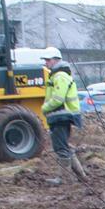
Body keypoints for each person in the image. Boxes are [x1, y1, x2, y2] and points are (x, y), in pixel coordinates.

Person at [39, 47, 86, 183]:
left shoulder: (59, 76)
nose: (46, 63)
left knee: (60, 147)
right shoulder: (59, 75)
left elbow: (58, 99)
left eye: (48, 60)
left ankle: (63, 178)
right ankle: (81, 176)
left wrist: (44, 108)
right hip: (62, 115)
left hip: (61, 116)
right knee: (64, 146)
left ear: (56, 60)